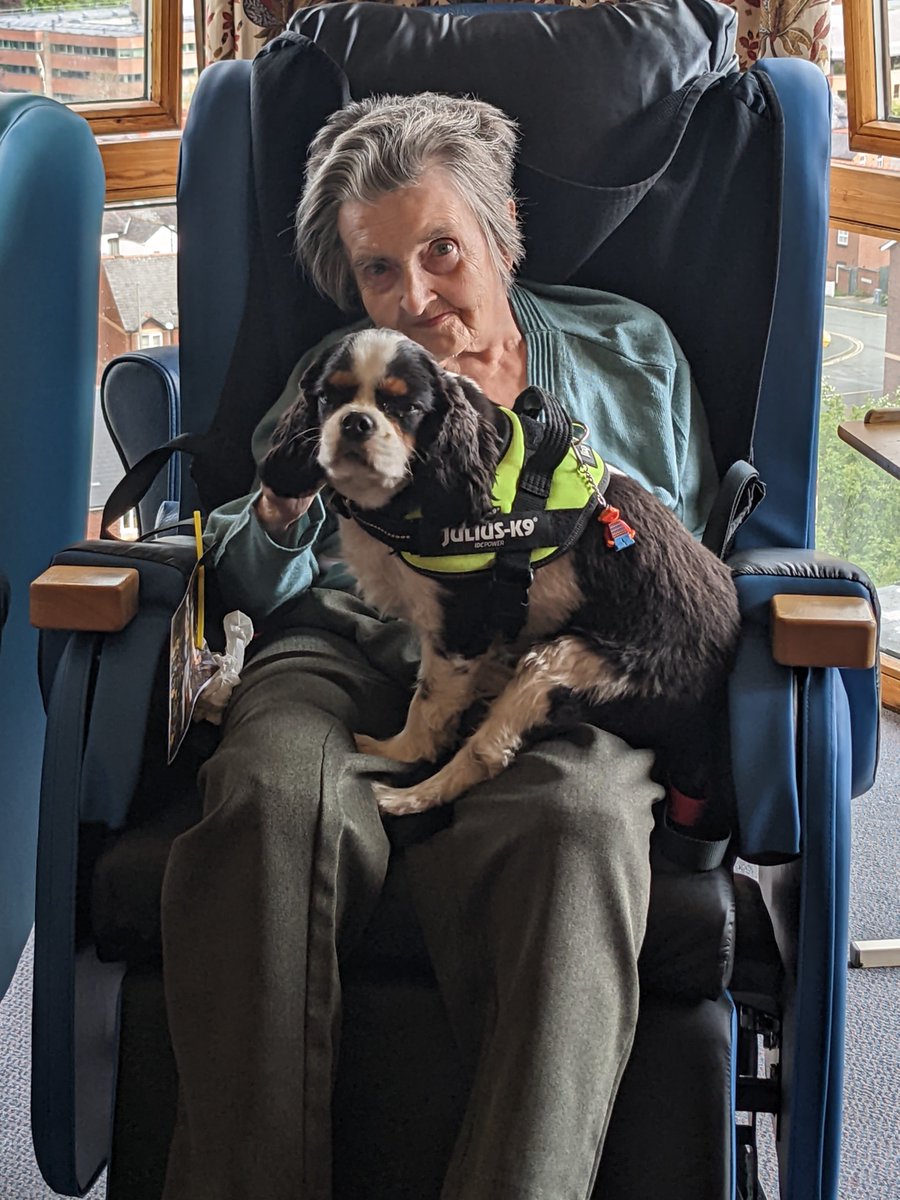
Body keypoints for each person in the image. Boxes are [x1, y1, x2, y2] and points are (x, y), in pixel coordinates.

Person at [160, 92, 720, 1200]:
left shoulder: (629, 349)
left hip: (553, 668)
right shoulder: (343, 372)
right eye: (378, 271)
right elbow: (237, 554)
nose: (412, 298)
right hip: (342, 643)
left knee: (578, 824)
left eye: (441, 250)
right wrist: (279, 510)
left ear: (503, 230)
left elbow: (680, 559)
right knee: (271, 798)